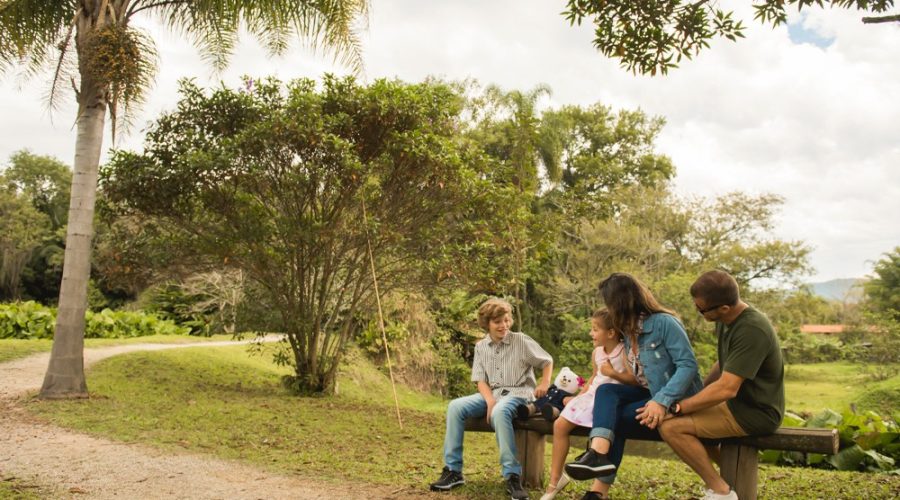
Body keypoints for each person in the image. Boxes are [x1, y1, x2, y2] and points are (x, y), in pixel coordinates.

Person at [564, 273, 703, 500]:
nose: (607, 307)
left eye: (609, 302)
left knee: (615, 417)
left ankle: (598, 490)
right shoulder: (628, 332)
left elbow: (688, 366)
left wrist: (661, 401)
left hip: (676, 400)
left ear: (620, 303)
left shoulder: (664, 323)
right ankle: (597, 454)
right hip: (650, 393)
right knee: (606, 391)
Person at [658, 270, 785, 500]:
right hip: (737, 405)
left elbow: (727, 387)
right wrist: (698, 395)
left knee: (671, 427)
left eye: (701, 309)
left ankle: (721, 491)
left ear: (724, 308)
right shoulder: (726, 320)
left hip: (756, 412)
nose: (698, 312)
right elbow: (724, 363)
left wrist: (681, 406)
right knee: (674, 420)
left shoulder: (751, 329)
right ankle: (728, 482)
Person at [429, 297, 553, 500]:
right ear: (487, 324)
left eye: (506, 320)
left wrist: (544, 383)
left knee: (501, 411)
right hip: (492, 394)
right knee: (455, 407)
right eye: (497, 322)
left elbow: (547, 361)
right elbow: (480, 379)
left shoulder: (520, 340)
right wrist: (489, 401)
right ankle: (453, 471)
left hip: (519, 393)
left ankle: (512, 475)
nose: (503, 325)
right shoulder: (481, 347)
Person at [541, 308, 632, 500]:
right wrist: (579, 396)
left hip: (609, 400)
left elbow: (632, 379)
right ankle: (554, 481)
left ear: (611, 333)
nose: (591, 333)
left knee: (601, 433)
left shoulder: (623, 351)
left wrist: (612, 373)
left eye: (595, 329)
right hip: (591, 395)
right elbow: (593, 377)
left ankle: (596, 485)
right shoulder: (597, 352)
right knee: (559, 425)